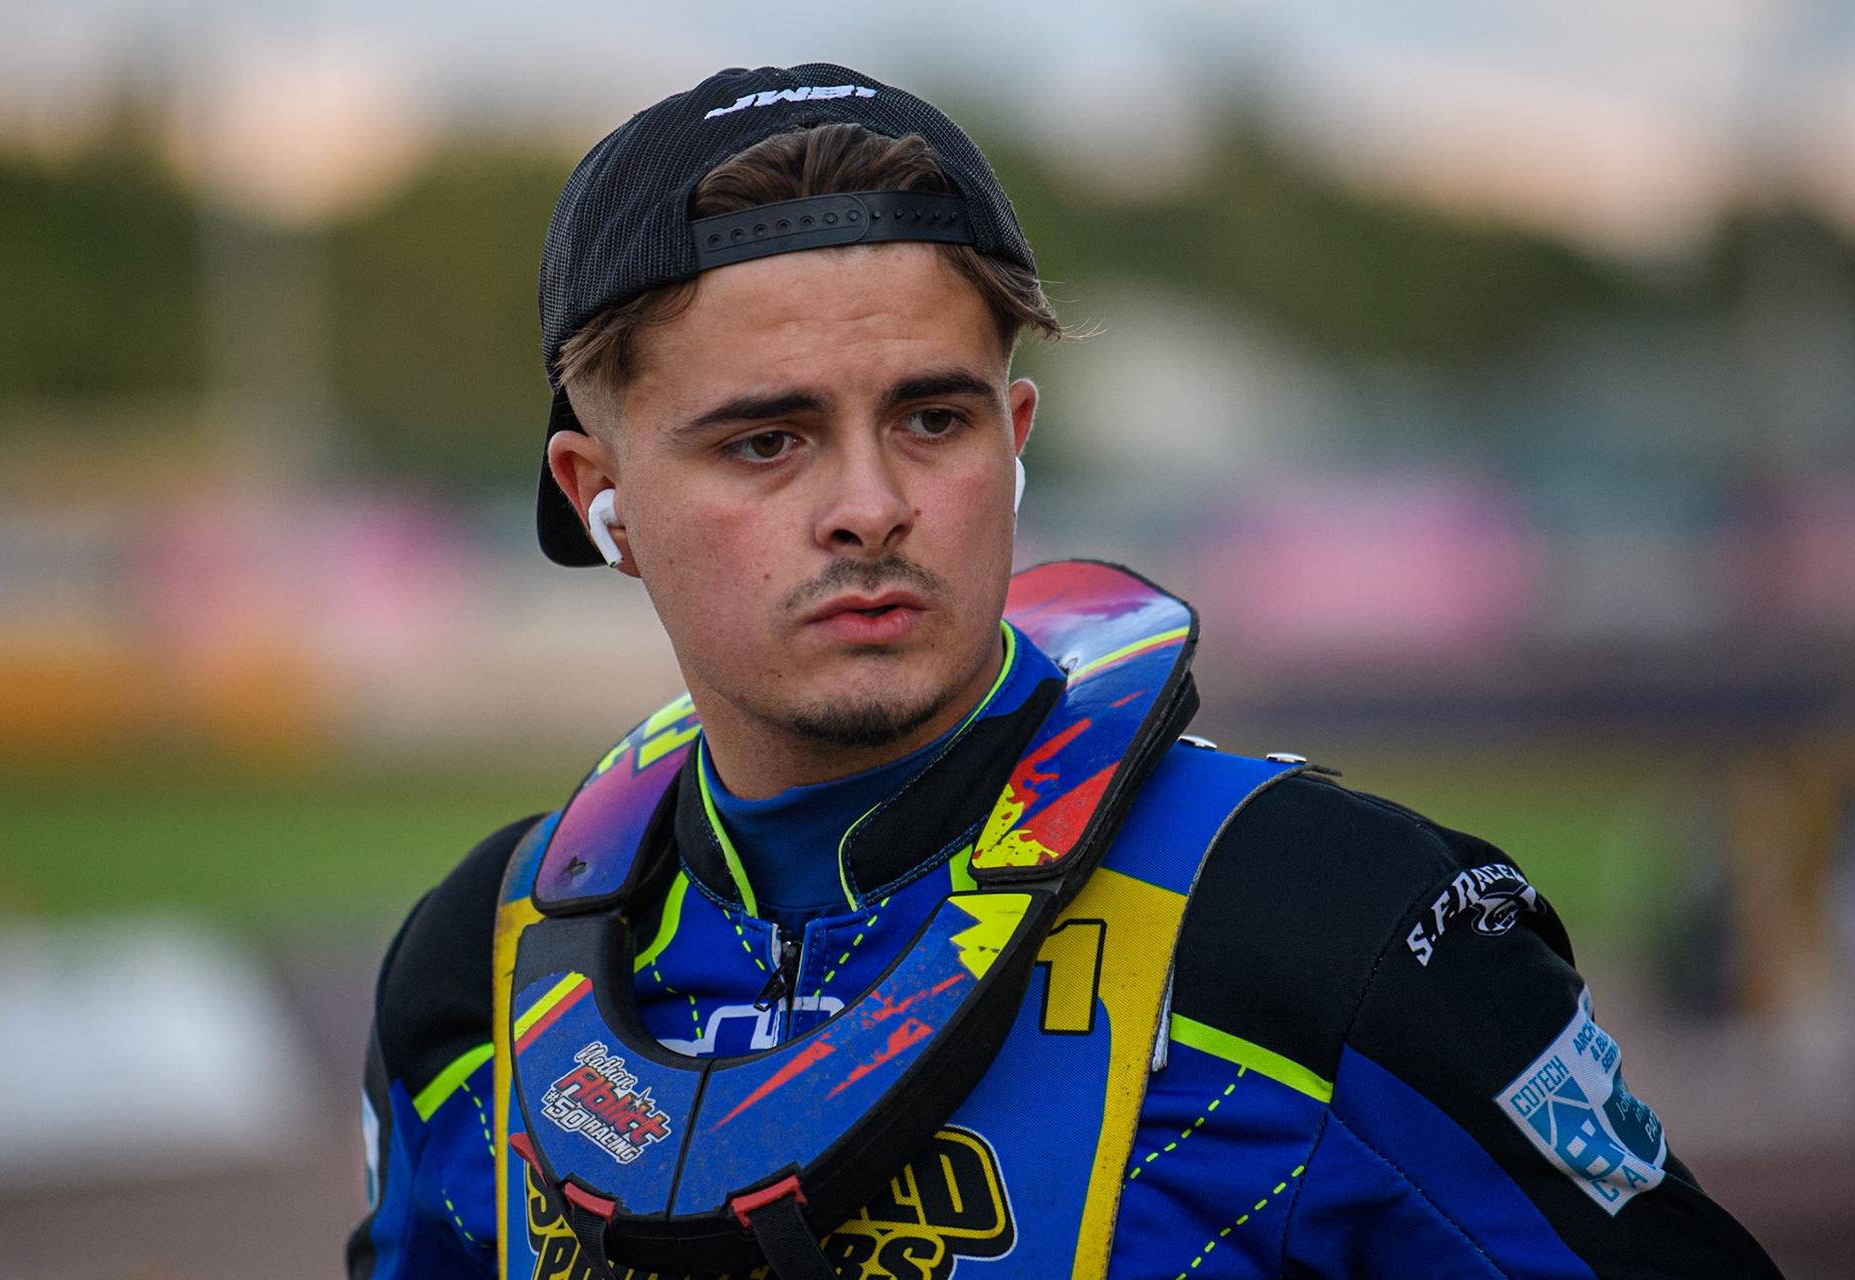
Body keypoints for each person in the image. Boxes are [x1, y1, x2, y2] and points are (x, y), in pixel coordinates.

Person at [350, 64, 1781, 1280]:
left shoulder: (1333, 932)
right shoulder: (468, 980)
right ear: (599, 496)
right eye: (765, 441)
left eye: (931, 419)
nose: (870, 505)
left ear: (1015, 435)